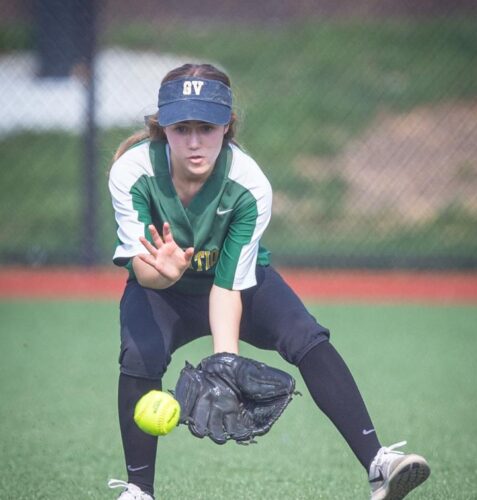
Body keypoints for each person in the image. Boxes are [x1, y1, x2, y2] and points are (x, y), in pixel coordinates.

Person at [106, 63, 430, 500]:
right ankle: (139, 490)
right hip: (161, 288)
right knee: (139, 356)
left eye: (207, 125)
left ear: (227, 126)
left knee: (305, 335)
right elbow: (143, 273)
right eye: (182, 127)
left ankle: (379, 464)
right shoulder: (132, 172)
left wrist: (225, 363)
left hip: (235, 284)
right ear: (163, 129)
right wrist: (165, 271)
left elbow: (228, 285)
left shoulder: (249, 183)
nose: (195, 140)